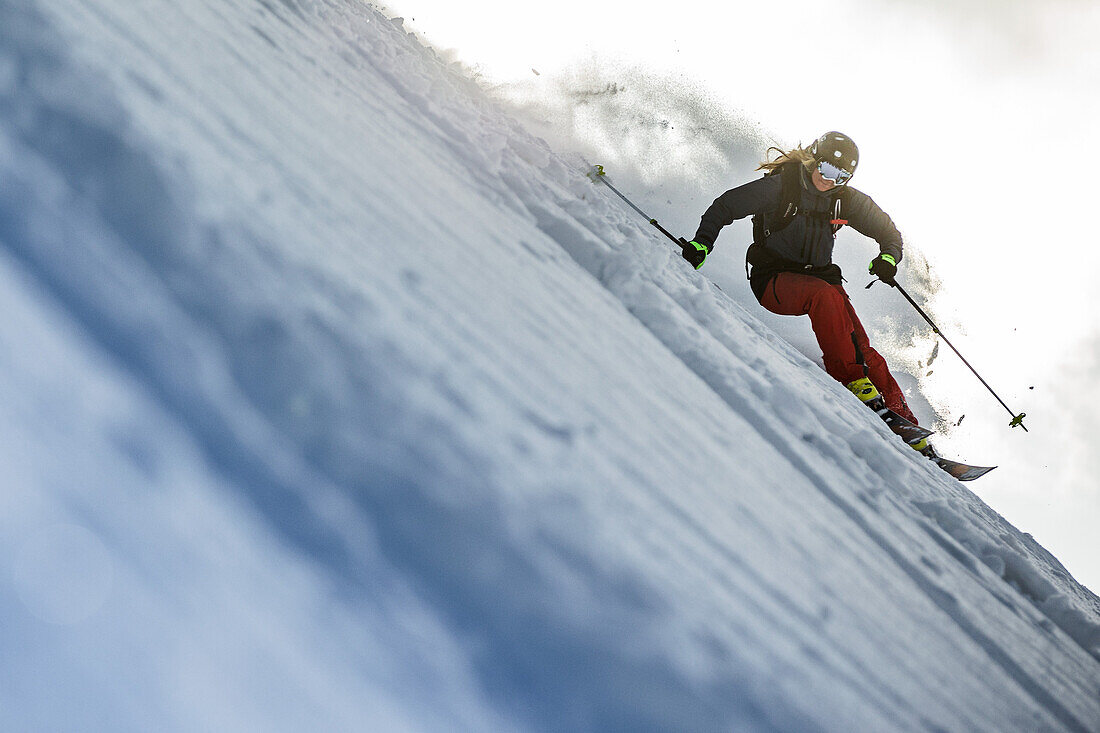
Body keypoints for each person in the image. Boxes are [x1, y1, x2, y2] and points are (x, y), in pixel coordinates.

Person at [682, 131, 926, 448]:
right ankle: (852, 379)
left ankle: (907, 425)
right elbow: (726, 205)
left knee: (863, 348)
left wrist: (888, 258)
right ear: (813, 159)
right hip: (774, 280)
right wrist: (702, 243)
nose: (830, 180)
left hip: (822, 280)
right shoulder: (782, 187)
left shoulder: (845, 200)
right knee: (824, 297)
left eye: (841, 176)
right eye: (826, 169)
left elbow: (888, 231)